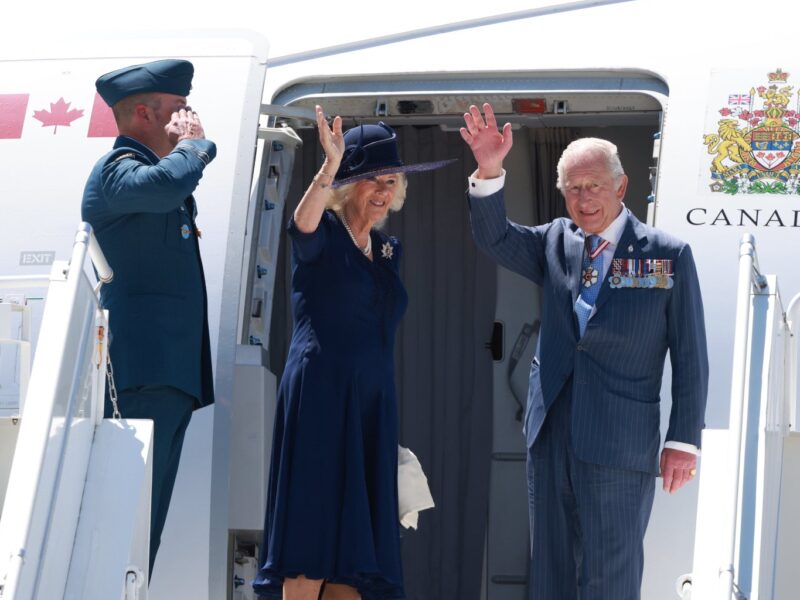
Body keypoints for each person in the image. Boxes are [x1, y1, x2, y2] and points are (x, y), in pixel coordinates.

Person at [460, 103, 708, 600]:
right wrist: (489, 170)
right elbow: (494, 238)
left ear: (621, 186)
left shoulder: (666, 254)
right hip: (551, 437)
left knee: (610, 577)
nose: (583, 197)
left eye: (594, 185)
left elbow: (690, 356)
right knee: (549, 574)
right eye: (572, 188)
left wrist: (683, 440)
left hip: (620, 443)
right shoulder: (554, 241)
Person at [253, 107, 452, 600]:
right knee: (312, 537)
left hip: (370, 406)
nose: (383, 191)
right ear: (347, 185)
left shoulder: (388, 250)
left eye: (391, 181)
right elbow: (300, 223)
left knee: (355, 556)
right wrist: (329, 165)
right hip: (321, 399)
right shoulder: (322, 234)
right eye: (371, 180)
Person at [81, 59, 216, 575]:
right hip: (140, 376)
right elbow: (166, 185)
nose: (189, 118)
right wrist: (195, 147)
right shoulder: (117, 172)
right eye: (178, 110)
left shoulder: (153, 178)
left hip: (167, 378)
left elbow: (169, 186)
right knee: (127, 526)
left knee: (144, 530)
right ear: (143, 113)